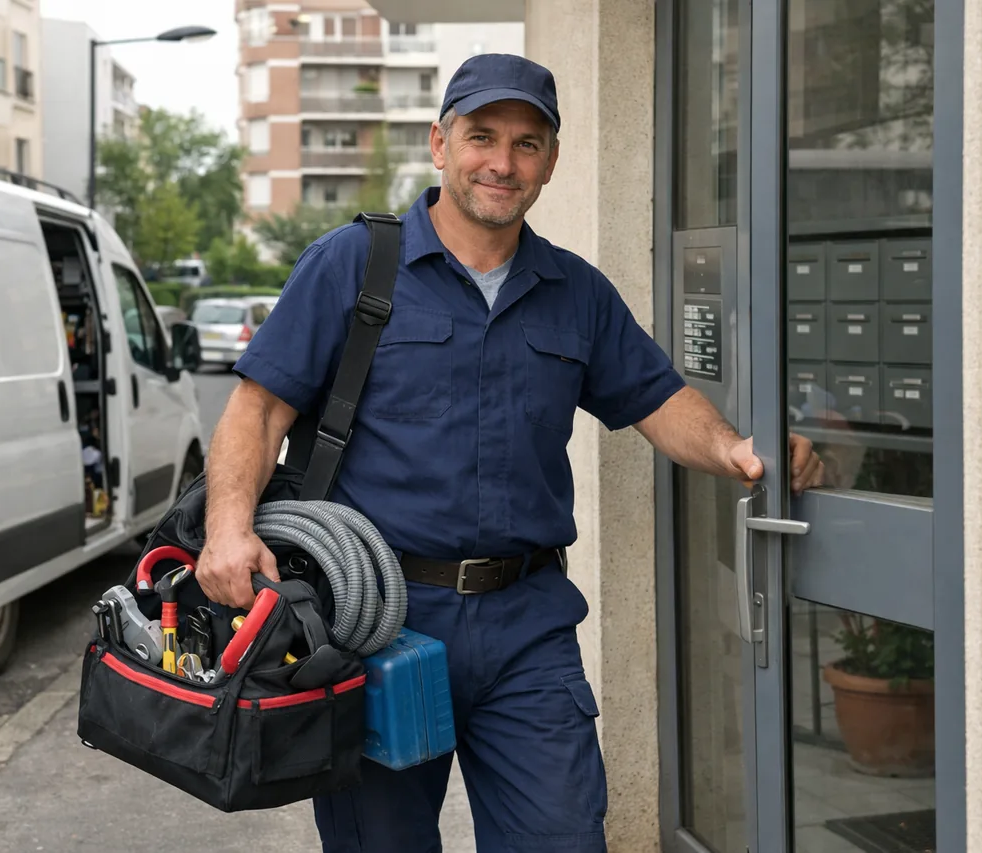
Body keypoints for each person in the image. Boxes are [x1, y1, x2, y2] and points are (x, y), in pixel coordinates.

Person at [197, 54, 824, 853]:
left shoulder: (576, 292)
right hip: (378, 620)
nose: (503, 161)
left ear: (551, 162)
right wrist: (228, 528)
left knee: (562, 838)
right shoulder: (353, 266)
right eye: (482, 135)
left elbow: (658, 400)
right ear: (440, 142)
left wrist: (738, 448)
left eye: (528, 144)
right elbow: (257, 407)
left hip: (527, 627)